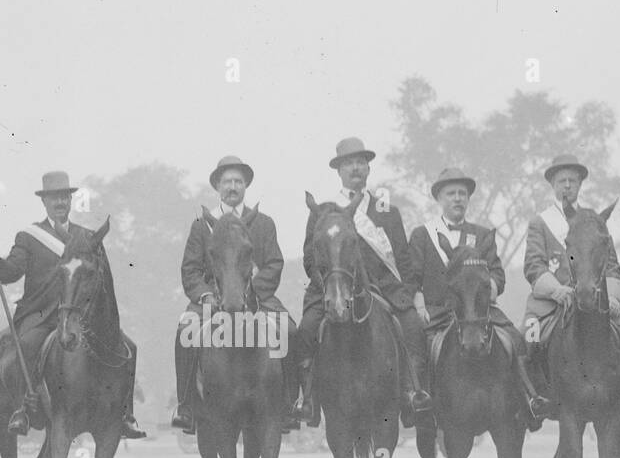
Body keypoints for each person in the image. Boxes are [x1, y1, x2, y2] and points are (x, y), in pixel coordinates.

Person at [0, 171, 145, 438]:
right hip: (41, 314)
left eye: (64, 197)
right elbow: (9, 273)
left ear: (70, 201)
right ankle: (24, 409)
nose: (60, 203)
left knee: (129, 348)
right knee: (28, 345)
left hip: (81, 315)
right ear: (44, 202)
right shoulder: (29, 236)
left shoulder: (88, 237)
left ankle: (125, 414)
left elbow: (104, 284)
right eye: (54, 198)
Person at [294, 137, 432, 425]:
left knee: (413, 328)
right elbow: (310, 260)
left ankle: (412, 392)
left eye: (360, 162)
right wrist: (329, 285)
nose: (355, 168)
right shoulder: (324, 212)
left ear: (368, 168)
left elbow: (403, 261)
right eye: (348, 163)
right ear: (339, 171)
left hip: (385, 289)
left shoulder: (387, 212)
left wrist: (409, 294)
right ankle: (308, 399)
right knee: (306, 329)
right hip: (334, 286)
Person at [408, 167, 551, 429]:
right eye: (451, 193)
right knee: (417, 343)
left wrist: (488, 291)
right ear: (439, 198)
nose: (458, 198)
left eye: (462, 193)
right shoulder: (422, 235)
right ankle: (421, 400)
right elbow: (413, 277)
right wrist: (419, 304)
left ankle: (532, 398)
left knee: (516, 339)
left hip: (479, 310)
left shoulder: (483, 235)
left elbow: (497, 274)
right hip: (437, 310)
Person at [522, 154, 620, 430]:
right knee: (528, 336)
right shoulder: (541, 222)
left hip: (594, 301)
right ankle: (536, 399)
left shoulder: (594, 220)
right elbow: (534, 266)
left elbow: (613, 268)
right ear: (553, 185)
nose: (567, 186)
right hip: (551, 301)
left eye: (573, 180)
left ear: (581, 184)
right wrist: (556, 290)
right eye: (562, 181)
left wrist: (615, 296)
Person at [172, 154, 299, 435]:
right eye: (227, 181)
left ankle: (289, 405)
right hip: (213, 300)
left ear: (246, 186)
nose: (232, 187)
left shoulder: (264, 224)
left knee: (289, 330)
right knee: (184, 332)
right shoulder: (201, 226)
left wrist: (253, 290)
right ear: (217, 186)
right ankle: (186, 406)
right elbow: (190, 269)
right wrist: (205, 295)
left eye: (238, 182)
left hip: (257, 298)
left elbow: (274, 263)